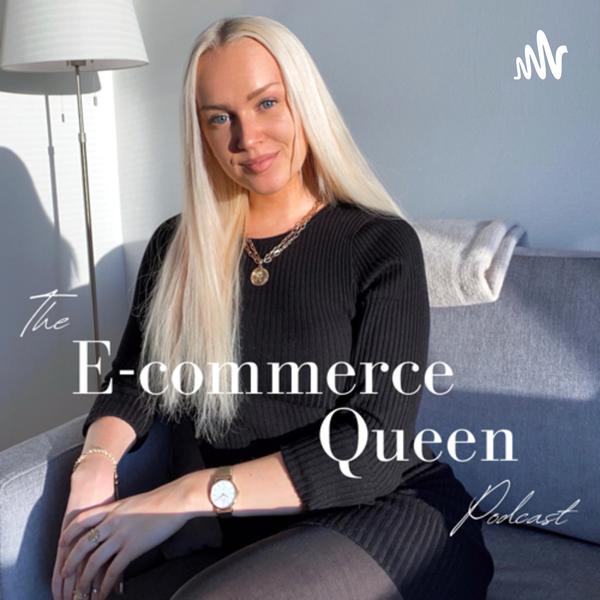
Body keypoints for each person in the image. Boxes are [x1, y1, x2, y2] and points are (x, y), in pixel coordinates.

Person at [52, 15, 494, 600]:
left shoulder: (380, 244)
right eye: (220, 118)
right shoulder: (178, 248)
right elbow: (136, 384)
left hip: (393, 517)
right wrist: (95, 463)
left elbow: (372, 448)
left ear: (304, 102)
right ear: (200, 132)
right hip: (256, 539)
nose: (247, 138)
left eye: (266, 103)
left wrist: (186, 496)